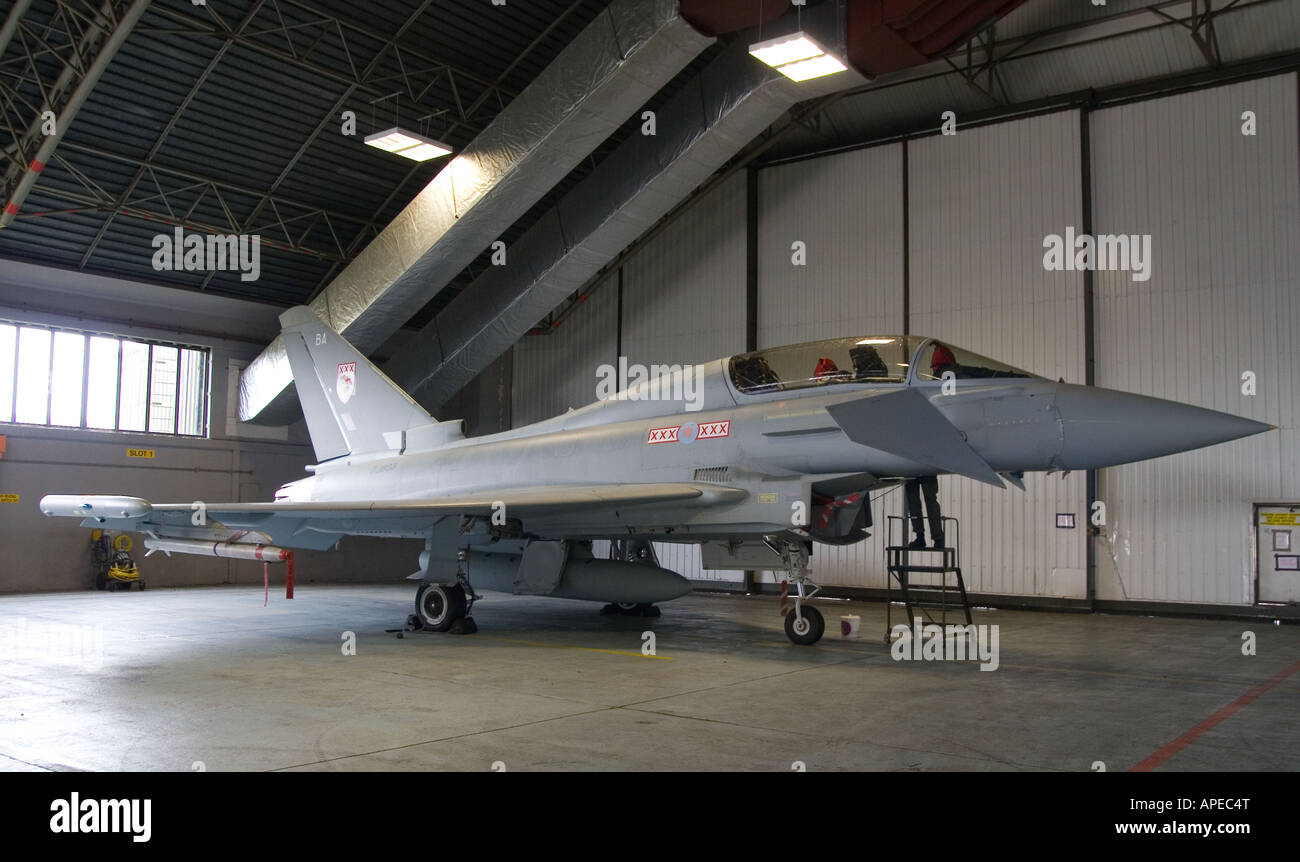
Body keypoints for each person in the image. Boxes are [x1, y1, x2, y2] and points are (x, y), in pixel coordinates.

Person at [903, 475, 944, 549]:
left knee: (927, 503)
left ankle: (931, 538)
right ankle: (934, 538)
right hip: (922, 470)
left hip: (919, 470)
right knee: (918, 503)